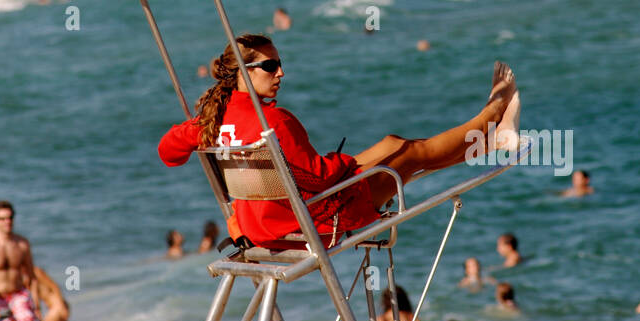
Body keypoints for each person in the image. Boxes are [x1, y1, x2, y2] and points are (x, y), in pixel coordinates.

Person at [158, 35, 522, 248]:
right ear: (242, 73)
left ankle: (490, 143)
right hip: (313, 223)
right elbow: (319, 177)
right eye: (270, 66)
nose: (281, 72)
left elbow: (167, 152)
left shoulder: (209, 122)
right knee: (407, 155)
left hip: (263, 224)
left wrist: (347, 163)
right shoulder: (275, 121)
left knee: (391, 143)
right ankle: (490, 116)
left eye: (280, 63)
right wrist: (347, 163)